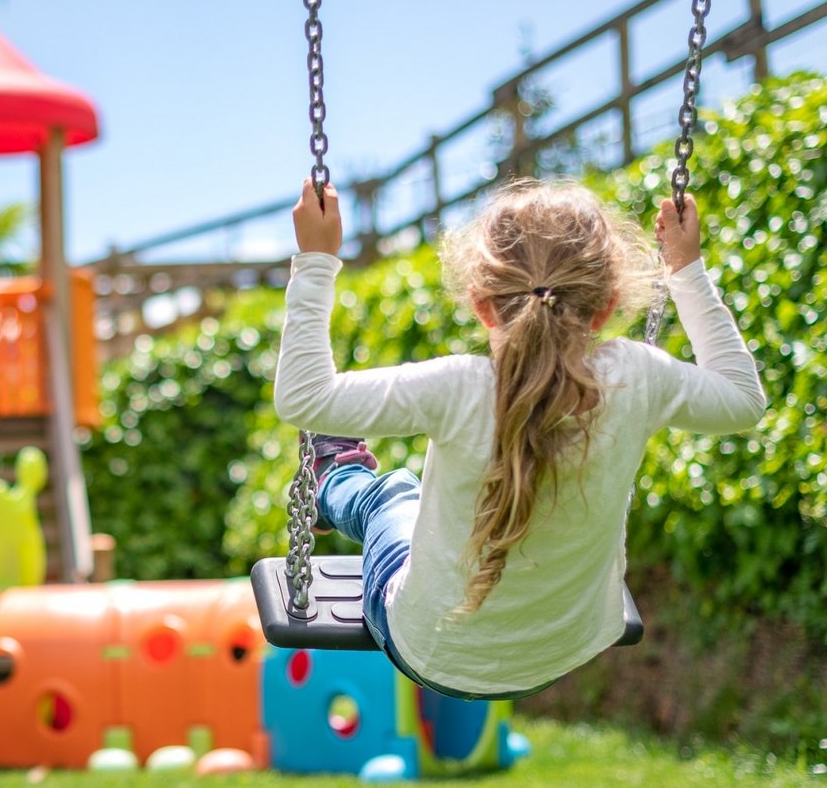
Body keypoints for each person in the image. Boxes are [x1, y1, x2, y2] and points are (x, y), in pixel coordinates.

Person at [274, 178, 766, 699]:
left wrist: (317, 259)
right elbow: (743, 399)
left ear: (481, 304)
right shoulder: (635, 376)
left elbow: (304, 398)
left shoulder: (458, 387)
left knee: (394, 492)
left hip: (427, 648)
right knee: (410, 506)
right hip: (567, 649)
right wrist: (686, 270)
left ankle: (337, 477)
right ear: (608, 304)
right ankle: (341, 478)